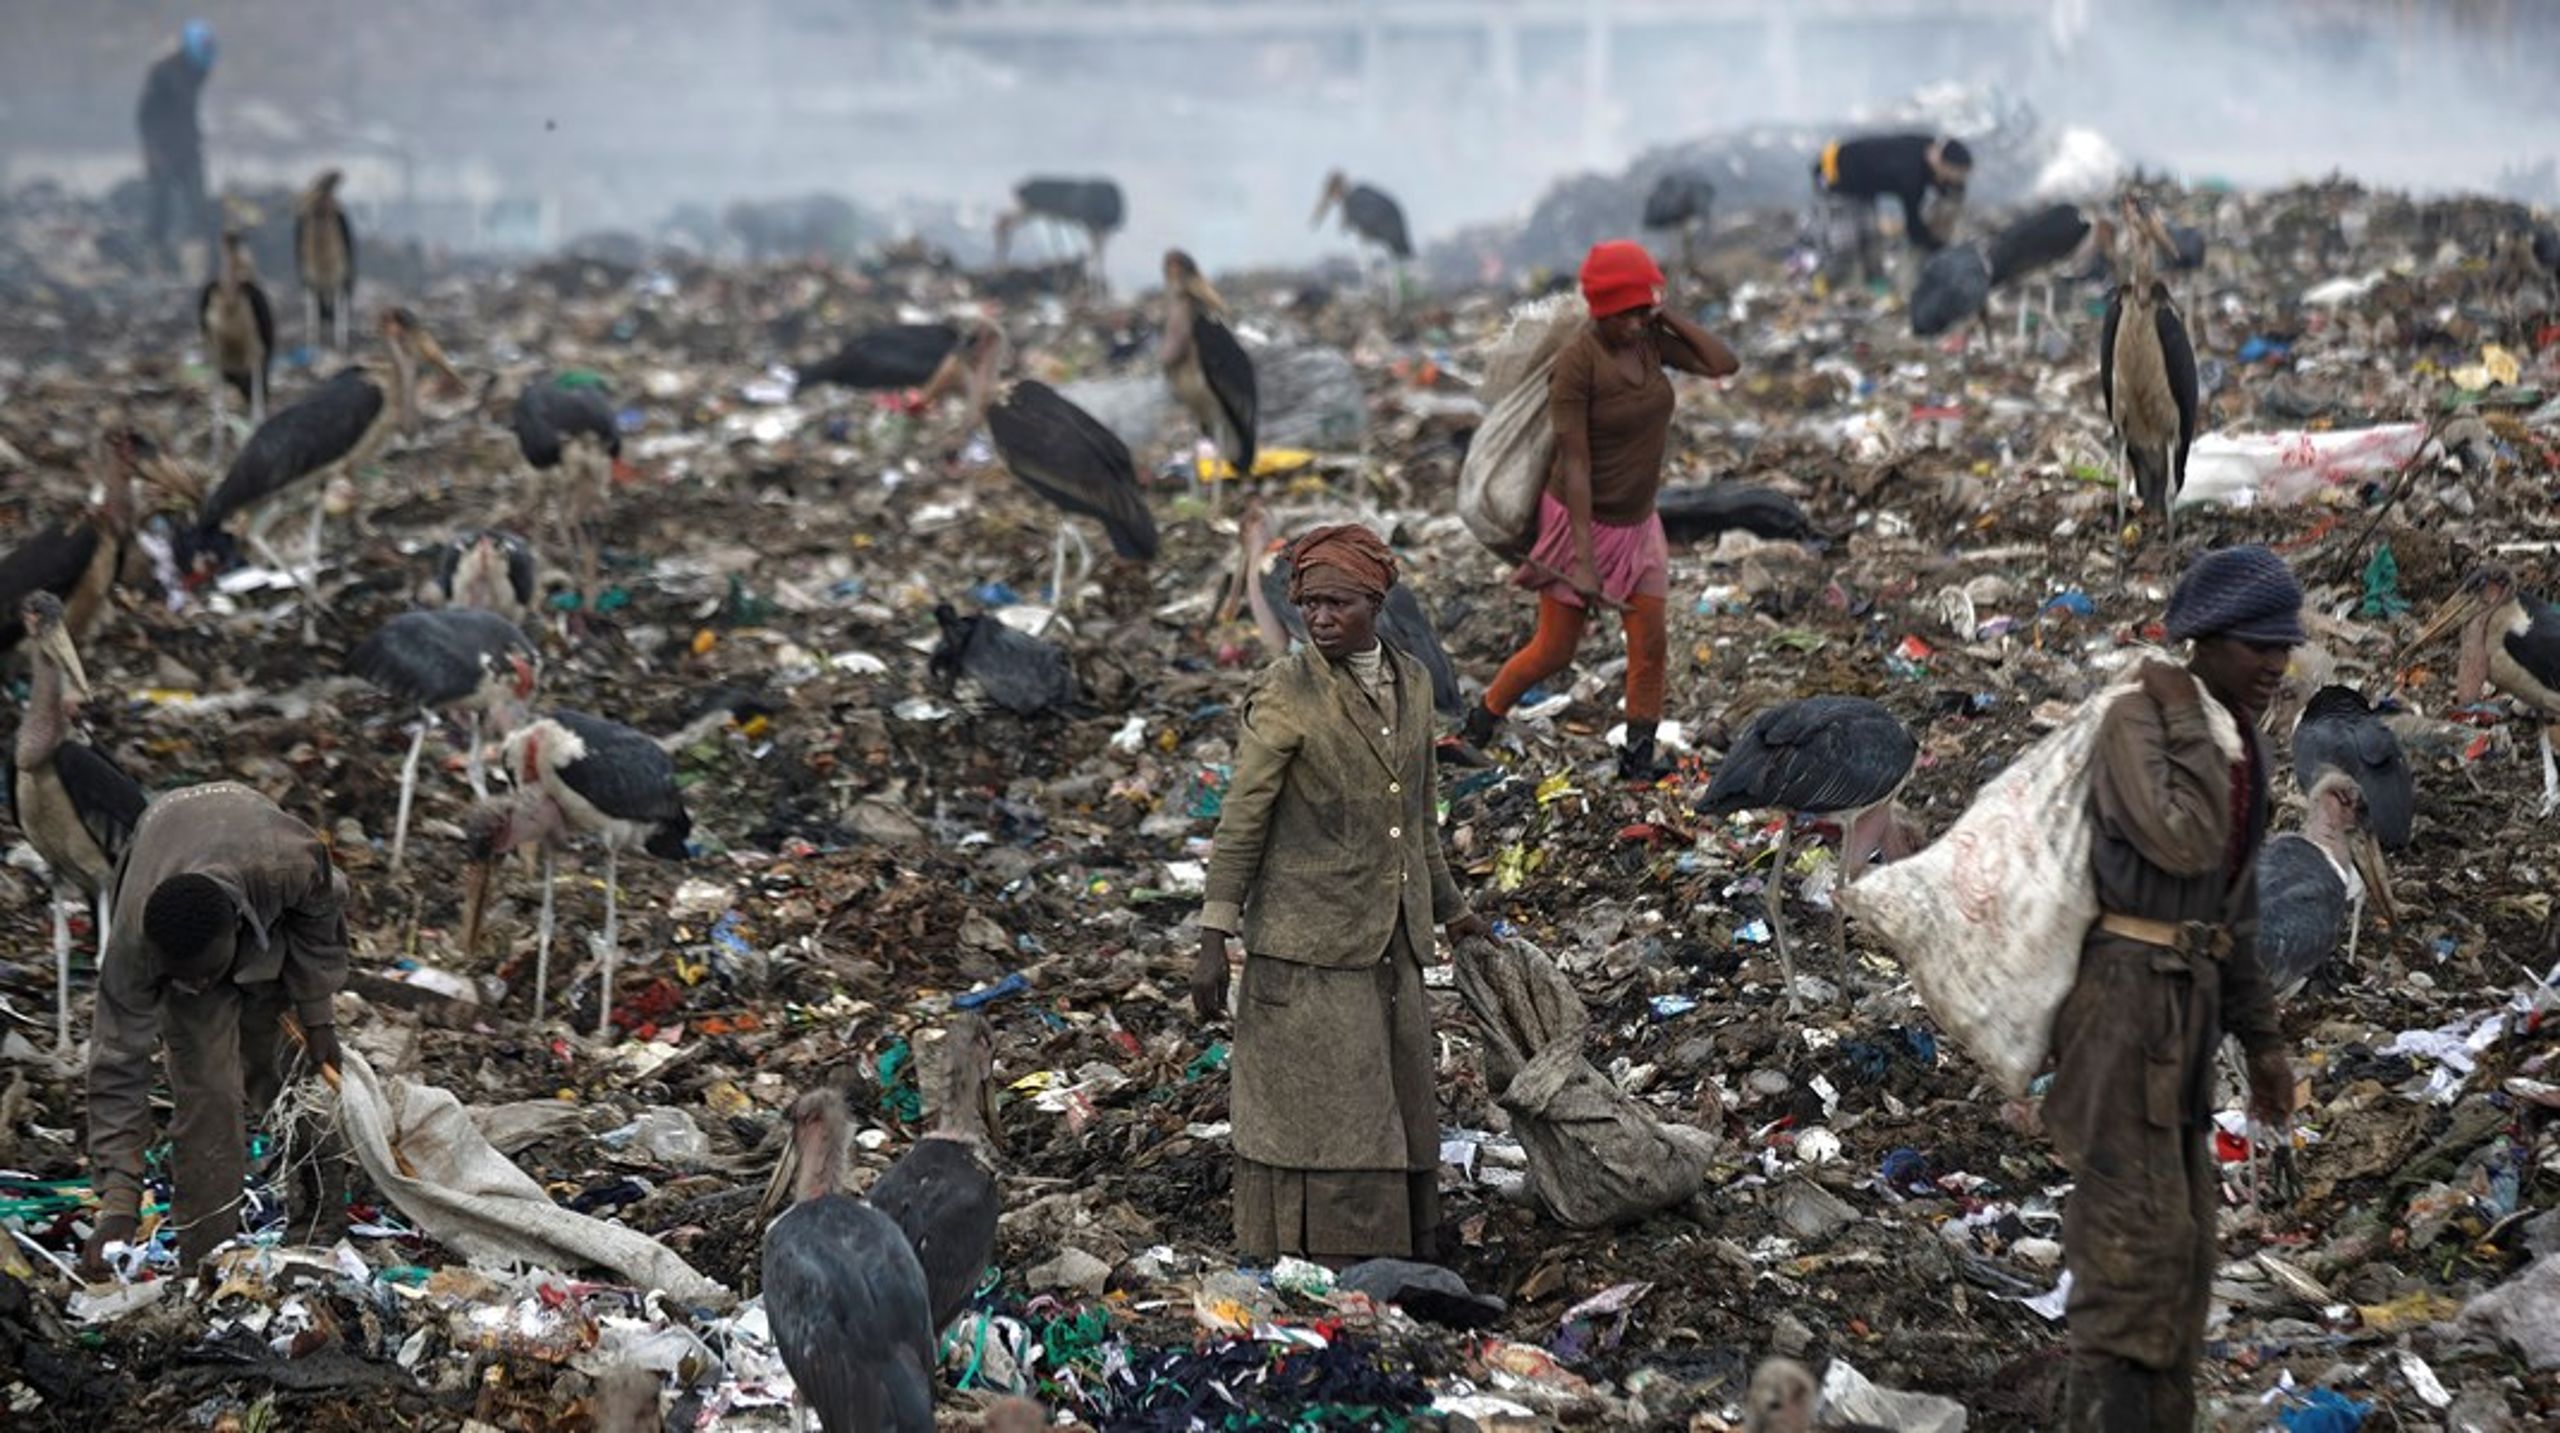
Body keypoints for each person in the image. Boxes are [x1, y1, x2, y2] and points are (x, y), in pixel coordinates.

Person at [2047, 545, 2302, 1430]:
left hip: (2184, 1016)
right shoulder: (2140, 720)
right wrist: (2188, 712)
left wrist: (2262, 1040)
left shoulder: (2239, 741)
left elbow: (2235, 905)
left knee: (2187, 1254)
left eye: (2285, 646)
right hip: (2122, 1013)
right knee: (2129, 1258)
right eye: (2258, 645)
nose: (2276, 663)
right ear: (2202, 638)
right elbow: (2184, 842)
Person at [1193, 523, 1491, 1265]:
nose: (1321, 618)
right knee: (1322, 1116)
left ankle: (1397, 1254)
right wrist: (1213, 931)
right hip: (1306, 943)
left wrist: (1454, 914)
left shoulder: (1413, 683)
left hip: (1389, 940)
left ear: (1375, 603)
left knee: (1387, 1105)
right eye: (1310, 604)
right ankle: (1324, 1261)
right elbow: (1243, 818)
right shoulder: (1286, 693)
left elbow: (1419, 818)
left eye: (1339, 603)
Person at [1457, 240, 1740, 782]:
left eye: (1641, 312)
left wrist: (1663, 312)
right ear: (1599, 311)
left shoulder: (1651, 340)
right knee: (1554, 651)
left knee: (1650, 645)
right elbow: (1577, 464)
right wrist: (1584, 561)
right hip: (1579, 524)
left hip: (1640, 524)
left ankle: (1637, 762)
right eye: (1624, 314)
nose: (1634, 324)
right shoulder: (1577, 365)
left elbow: (1723, 362)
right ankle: (1477, 725)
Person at [84, 782, 350, 1275]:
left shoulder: (287, 866)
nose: (199, 984)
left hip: (263, 906)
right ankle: (207, 1264)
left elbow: (322, 913)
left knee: (291, 1080)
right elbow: (117, 1063)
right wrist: (119, 1201)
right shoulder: (136, 952)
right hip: (166, 848)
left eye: (205, 972)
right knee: (209, 1098)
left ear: (235, 924)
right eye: (183, 976)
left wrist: (318, 1015)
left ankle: (319, 1228)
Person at [1812, 132, 1972, 279]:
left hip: (1864, 186)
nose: (1956, 180)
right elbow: (1913, 220)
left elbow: (1942, 185)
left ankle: (1870, 285)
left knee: (1870, 240)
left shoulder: (1929, 149)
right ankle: (1831, 284)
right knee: (1844, 244)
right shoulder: (1910, 172)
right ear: (1942, 164)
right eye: (1954, 174)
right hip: (1834, 174)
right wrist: (1933, 244)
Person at [137, 19, 217, 275]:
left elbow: (188, 110)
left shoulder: (197, 70)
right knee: (160, 207)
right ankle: (156, 264)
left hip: (188, 149)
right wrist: (153, 151)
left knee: (197, 207)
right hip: (163, 151)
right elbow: (144, 115)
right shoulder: (162, 71)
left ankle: (195, 267)